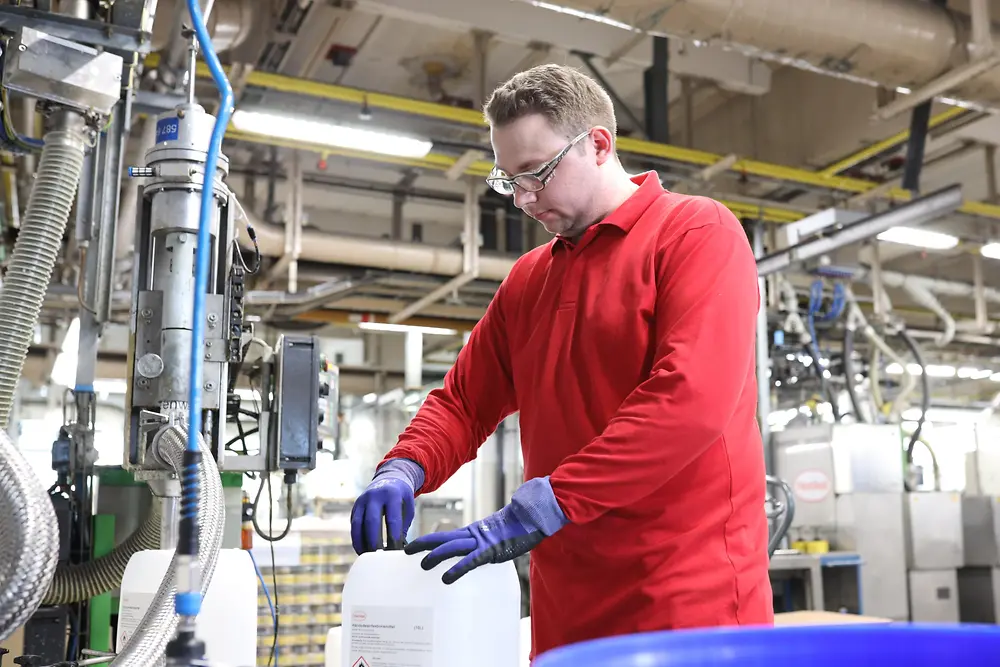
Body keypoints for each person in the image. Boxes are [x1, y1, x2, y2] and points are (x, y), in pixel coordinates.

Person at [350, 63, 773, 659]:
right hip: (566, 609)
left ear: (598, 145)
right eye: (509, 180)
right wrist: (404, 467)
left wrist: (547, 503)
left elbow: (689, 401)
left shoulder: (695, 234)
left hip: (686, 605)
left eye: (537, 174)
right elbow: (465, 402)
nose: (523, 199)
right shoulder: (529, 279)